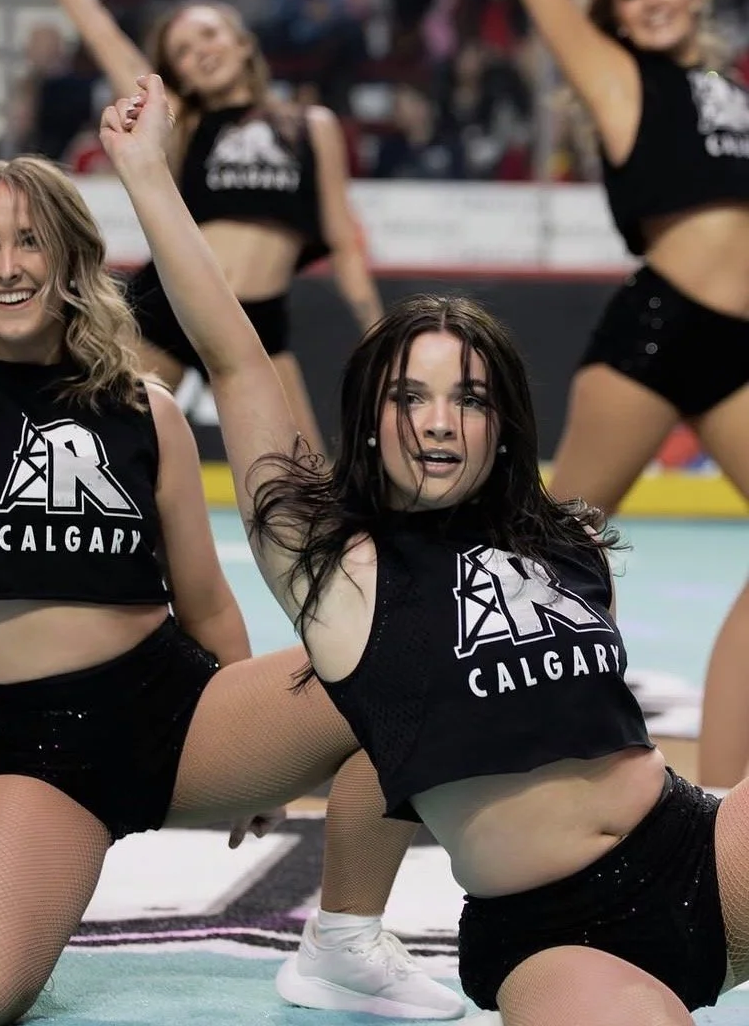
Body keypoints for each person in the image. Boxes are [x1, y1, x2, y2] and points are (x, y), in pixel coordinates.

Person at [0, 0, 464, 1023]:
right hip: (35, 742)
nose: (7, 266)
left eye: (29, 243)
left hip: (177, 707)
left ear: (67, 261)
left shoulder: (147, 408)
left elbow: (201, 596)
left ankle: (343, 939)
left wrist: (258, 754)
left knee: (411, 660)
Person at [100, 71, 748, 1025]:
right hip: (552, 931)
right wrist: (150, 175)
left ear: (501, 425)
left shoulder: (565, 544)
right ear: (370, 420)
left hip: (700, 846)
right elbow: (235, 355)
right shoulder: (337, 571)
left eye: (470, 398)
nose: (440, 423)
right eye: (411, 396)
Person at [504, 0, 749, 786]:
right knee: (550, 561)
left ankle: (724, 803)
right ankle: (488, 744)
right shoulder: (614, 73)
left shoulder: (727, 87)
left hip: (737, 347)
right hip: (659, 331)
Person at [46, 0, 383, 454]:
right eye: (182, 50)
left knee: (303, 477)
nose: (199, 51)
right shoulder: (181, 121)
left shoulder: (312, 125)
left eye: (209, 34)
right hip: (173, 304)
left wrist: (376, 330)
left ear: (243, 43)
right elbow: (107, 43)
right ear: (176, 75)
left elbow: (343, 241)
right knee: (104, 448)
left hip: (259, 319)